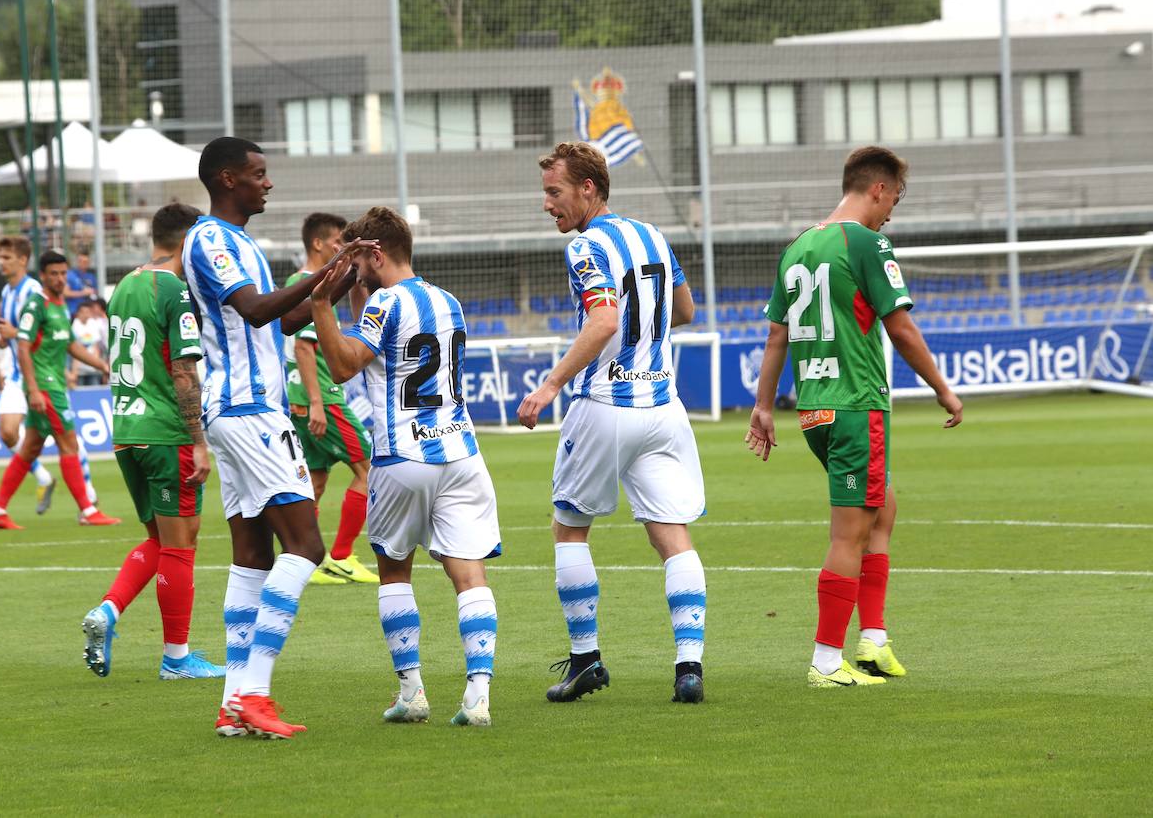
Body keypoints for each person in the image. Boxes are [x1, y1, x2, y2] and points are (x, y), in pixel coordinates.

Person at [745, 146, 963, 689]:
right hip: (855, 405)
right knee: (849, 534)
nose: (892, 211)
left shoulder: (797, 247)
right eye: (895, 198)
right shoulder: (867, 242)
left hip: (815, 409)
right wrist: (942, 388)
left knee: (881, 509)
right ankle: (825, 661)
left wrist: (764, 406)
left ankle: (874, 640)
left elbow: (777, 335)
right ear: (878, 190)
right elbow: (902, 329)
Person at [182, 137, 368, 740]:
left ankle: (234, 703)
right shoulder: (210, 238)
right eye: (259, 175)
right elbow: (259, 310)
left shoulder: (242, 245)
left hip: (238, 413)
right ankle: (256, 694)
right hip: (251, 411)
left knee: (253, 557)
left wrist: (341, 276)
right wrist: (323, 272)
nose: (268, 184)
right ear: (228, 178)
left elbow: (287, 320)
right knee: (307, 548)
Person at [517, 141, 709, 706]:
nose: (548, 204)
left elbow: (603, 319)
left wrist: (550, 384)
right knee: (673, 537)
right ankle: (688, 668)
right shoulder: (653, 235)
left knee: (569, 529)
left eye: (555, 193)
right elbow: (685, 311)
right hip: (664, 410)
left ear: (588, 190)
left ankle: (586, 661)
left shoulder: (586, 246)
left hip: (604, 406)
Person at [311, 206, 501, 728]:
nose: (351, 268)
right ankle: (478, 696)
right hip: (461, 454)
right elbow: (379, 335)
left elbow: (347, 362)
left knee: (394, 570)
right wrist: (355, 285)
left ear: (374, 253)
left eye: (356, 258)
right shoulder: (447, 300)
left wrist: (319, 302)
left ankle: (412, 693)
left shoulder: (387, 303)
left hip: (401, 456)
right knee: (469, 573)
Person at [80, 202, 223, 681]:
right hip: (166, 432)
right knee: (181, 545)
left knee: (159, 539)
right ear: (189, 241)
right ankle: (177, 658)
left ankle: (108, 610)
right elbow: (184, 370)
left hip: (126, 430)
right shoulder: (174, 290)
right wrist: (198, 440)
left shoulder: (124, 286)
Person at [0, 250, 118, 529]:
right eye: (54, 274)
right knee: (69, 444)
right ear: (42, 276)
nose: (59, 279)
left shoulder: (59, 306)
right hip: (45, 388)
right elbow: (22, 347)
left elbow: (71, 345)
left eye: (63, 273)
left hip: (52, 385)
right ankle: (87, 510)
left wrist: (102, 365)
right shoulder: (37, 305)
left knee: (30, 449)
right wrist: (32, 389)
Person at [285, 212, 377, 586]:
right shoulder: (307, 284)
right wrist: (318, 404)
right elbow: (305, 350)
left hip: (305, 399)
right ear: (319, 243)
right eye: (338, 242)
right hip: (323, 398)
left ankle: (300, 559)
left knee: (316, 481)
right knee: (370, 471)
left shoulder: (313, 283)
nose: (343, 248)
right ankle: (340, 555)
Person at [0, 236, 58, 527]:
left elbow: (44, 335)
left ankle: (89, 504)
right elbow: (8, 336)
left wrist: (15, 334)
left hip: (39, 376)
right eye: (0, 257)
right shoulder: (7, 291)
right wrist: (3, 340)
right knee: (7, 433)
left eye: (6, 257)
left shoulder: (34, 291)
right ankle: (42, 477)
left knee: (69, 440)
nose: (1, 262)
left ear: (23, 260)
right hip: (17, 375)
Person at [70, 300, 108, 388]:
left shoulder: (93, 324)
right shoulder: (74, 326)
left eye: (88, 312)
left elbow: (96, 347)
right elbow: (75, 348)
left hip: (92, 368)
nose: (86, 314)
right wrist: (74, 371)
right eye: (84, 312)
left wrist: (97, 365)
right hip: (79, 369)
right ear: (78, 313)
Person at [64, 252, 99, 319]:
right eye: (81, 261)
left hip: (88, 314)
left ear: (89, 262)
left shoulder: (91, 277)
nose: (83, 263)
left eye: (85, 261)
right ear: (77, 262)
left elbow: (96, 293)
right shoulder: (70, 274)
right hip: (73, 313)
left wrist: (92, 292)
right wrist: (83, 293)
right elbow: (65, 293)